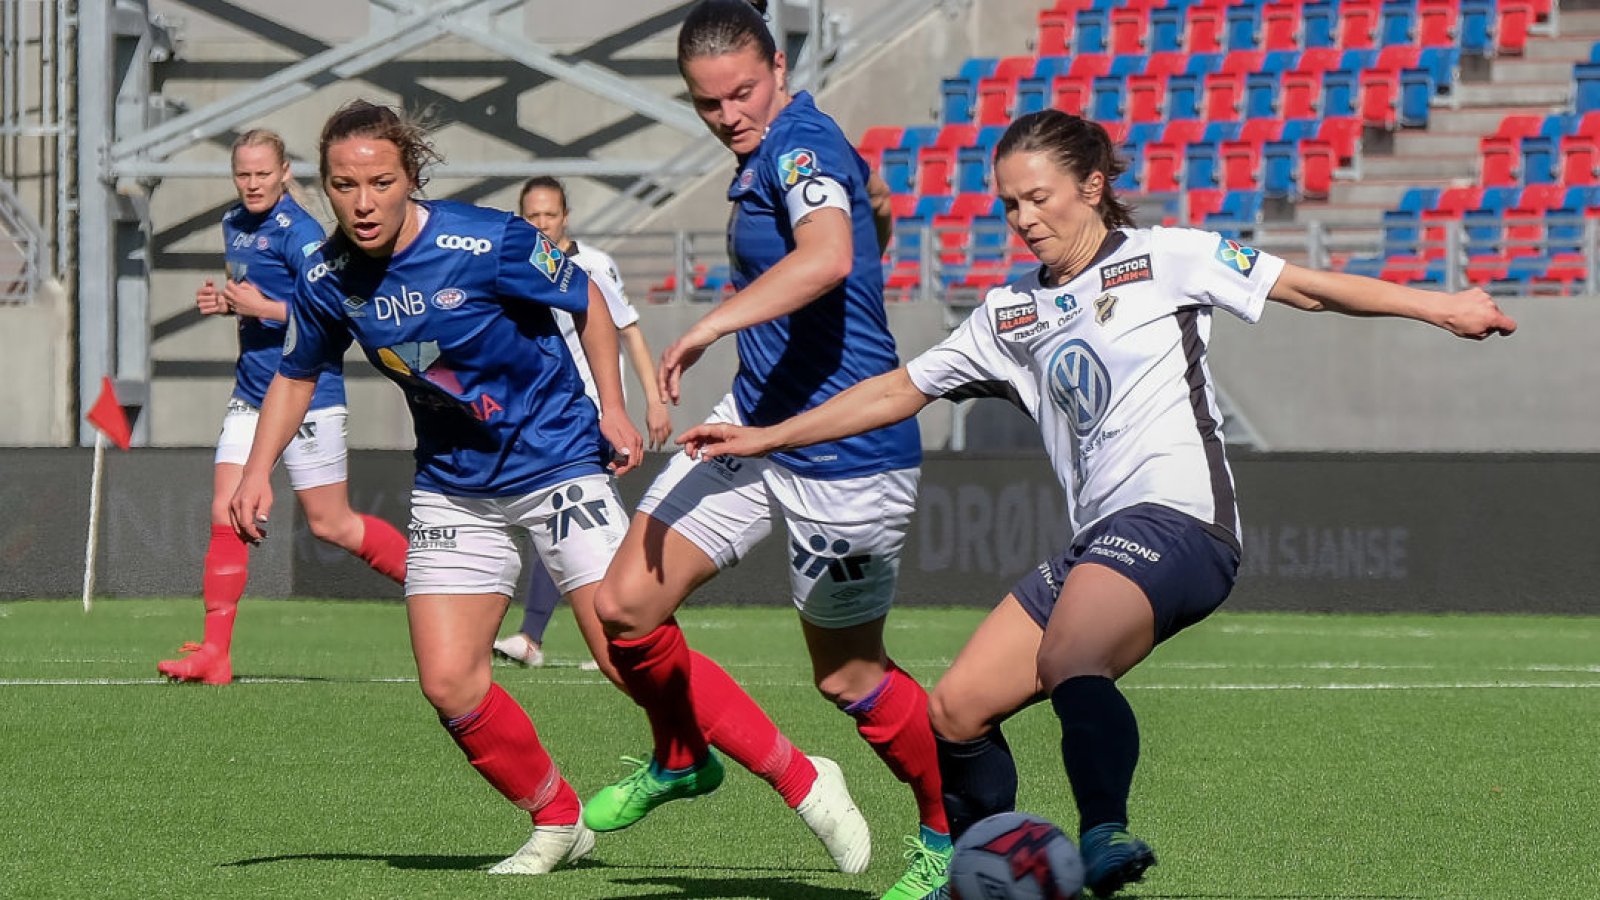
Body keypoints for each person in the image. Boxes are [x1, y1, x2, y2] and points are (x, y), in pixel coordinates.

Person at [678, 108, 1518, 898]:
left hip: (1181, 522)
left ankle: (1105, 834)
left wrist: (1443, 306)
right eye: (1009, 204)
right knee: (956, 707)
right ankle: (990, 867)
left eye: (1038, 197)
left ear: (1090, 184)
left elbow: (1305, 287)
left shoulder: (1168, 257)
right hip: (1098, 542)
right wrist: (771, 434)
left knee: (1071, 657)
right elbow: (897, 391)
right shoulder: (1009, 316)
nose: (1023, 218)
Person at [585, 3, 951, 897]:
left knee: (849, 676)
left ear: (778, 68)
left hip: (847, 450)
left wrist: (708, 324)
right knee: (624, 605)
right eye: (708, 103)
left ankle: (952, 836)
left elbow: (825, 256)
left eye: (742, 92)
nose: (728, 115)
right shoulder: (761, 159)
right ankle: (682, 757)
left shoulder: (801, 146)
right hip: (751, 423)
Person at [227, 100, 645, 875]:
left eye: (379, 181)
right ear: (322, 186)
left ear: (409, 177)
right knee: (450, 681)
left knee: (628, 654)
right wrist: (257, 472)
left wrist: (616, 409)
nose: (361, 201)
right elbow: (296, 371)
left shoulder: (483, 239)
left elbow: (587, 300)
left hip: (554, 455)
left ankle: (791, 774)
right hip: (454, 480)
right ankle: (558, 819)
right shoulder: (326, 274)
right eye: (344, 185)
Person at [157, 128, 409, 686]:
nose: (252, 184)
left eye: (262, 174)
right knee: (225, 509)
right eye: (243, 175)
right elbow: (253, 297)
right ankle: (215, 655)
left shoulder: (303, 233)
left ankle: (445, 592)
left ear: (284, 173)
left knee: (333, 525)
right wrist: (228, 304)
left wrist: (264, 307)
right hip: (252, 391)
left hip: (308, 393)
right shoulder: (233, 224)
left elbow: (333, 312)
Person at [493, 175, 672, 669]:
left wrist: (653, 401)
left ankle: (629, 629)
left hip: (593, 413)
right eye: (533, 216)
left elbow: (628, 333)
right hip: (549, 413)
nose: (543, 224)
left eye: (550, 214)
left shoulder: (593, 266)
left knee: (590, 521)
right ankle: (538, 637)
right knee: (568, 520)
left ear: (565, 216)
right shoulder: (517, 269)